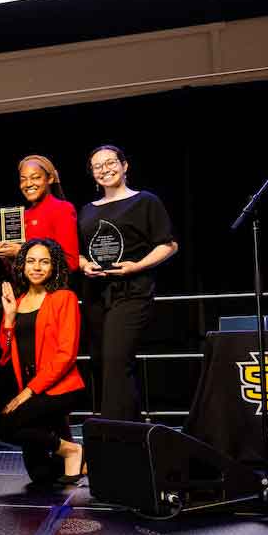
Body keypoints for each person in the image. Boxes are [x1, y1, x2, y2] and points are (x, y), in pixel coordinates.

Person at [77, 145, 177, 421]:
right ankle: (132, 434)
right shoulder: (86, 210)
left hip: (132, 291)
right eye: (97, 166)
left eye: (110, 163)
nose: (105, 169)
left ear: (124, 165)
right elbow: (78, 251)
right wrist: (85, 265)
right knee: (102, 364)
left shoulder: (145, 201)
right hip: (96, 294)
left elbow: (168, 245)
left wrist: (137, 266)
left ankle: (112, 438)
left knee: (116, 361)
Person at [0, 239, 87, 484]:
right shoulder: (16, 302)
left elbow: (66, 354)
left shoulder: (64, 298)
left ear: (54, 266)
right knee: (42, 475)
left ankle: (72, 450)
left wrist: (28, 391)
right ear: (22, 265)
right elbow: (3, 354)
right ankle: (72, 454)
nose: (37, 267)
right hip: (29, 387)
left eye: (44, 262)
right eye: (31, 261)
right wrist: (8, 319)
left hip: (59, 387)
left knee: (7, 426)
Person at [0, 155, 80, 271]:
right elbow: (16, 268)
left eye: (35, 177)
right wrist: (5, 254)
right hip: (24, 288)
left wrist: (21, 251)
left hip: (52, 288)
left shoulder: (62, 209)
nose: (28, 184)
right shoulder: (21, 216)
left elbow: (71, 262)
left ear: (50, 179)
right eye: (23, 179)